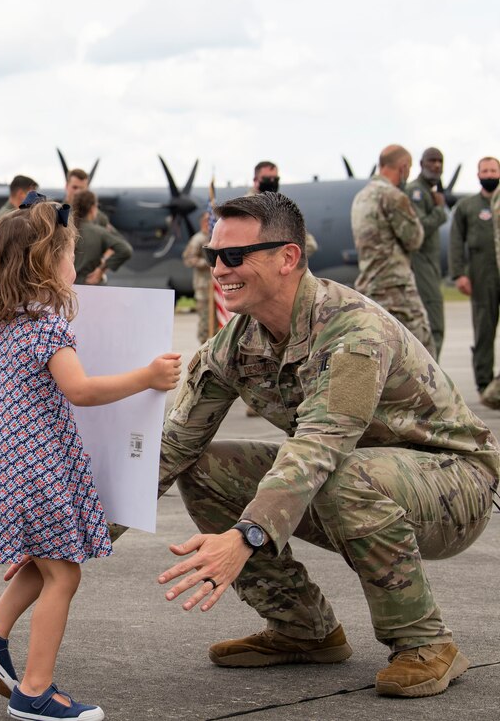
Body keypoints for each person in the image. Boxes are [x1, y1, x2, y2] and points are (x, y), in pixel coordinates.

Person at [142, 191, 497, 699]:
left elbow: (319, 447)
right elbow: (173, 448)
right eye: (214, 257)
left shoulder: (352, 330)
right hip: (354, 477)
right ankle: (303, 628)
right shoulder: (237, 341)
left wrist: (245, 536)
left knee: (338, 475)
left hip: (453, 484)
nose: (220, 269)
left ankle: (424, 642)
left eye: (235, 256)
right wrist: (77, 535)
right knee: (203, 467)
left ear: (288, 257)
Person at [0, 194, 180, 721]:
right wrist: (147, 378)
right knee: (64, 574)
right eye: (69, 254)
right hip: (40, 464)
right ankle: (34, 690)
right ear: (46, 262)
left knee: (46, 557)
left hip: (4, 462)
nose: (73, 265)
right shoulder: (47, 326)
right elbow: (80, 390)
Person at [350, 144, 435, 356]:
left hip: (369, 289)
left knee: (380, 354)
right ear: (404, 167)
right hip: (397, 291)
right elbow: (414, 239)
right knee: (423, 353)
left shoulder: (361, 197)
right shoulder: (393, 196)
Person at [450, 157, 500, 401]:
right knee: (484, 329)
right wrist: (459, 273)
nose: (489, 174)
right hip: (482, 274)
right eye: (485, 170)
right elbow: (456, 241)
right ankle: (484, 385)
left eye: (493, 170)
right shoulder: (467, 206)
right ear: (478, 174)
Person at [405, 147, 448, 357]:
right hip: (421, 266)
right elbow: (419, 228)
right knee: (435, 326)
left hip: (429, 265)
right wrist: (441, 210)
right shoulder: (416, 191)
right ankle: (432, 380)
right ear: (421, 164)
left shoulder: (427, 192)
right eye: (432, 161)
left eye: (440, 161)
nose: (437, 165)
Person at [248, 161, 319, 257]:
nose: (272, 182)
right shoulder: (246, 206)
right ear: (255, 180)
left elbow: (310, 245)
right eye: (267, 179)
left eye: (275, 179)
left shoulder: (279, 205)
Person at [71, 191, 133, 284]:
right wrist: (102, 269)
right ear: (92, 209)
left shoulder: (65, 230)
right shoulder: (99, 232)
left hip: (67, 286)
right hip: (90, 284)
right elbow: (125, 249)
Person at [182, 212, 213, 342]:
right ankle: (203, 344)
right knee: (205, 320)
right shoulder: (198, 239)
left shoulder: (214, 238)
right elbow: (188, 258)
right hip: (203, 286)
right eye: (208, 221)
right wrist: (207, 263)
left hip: (216, 287)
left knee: (216, 321)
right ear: (203, 223)